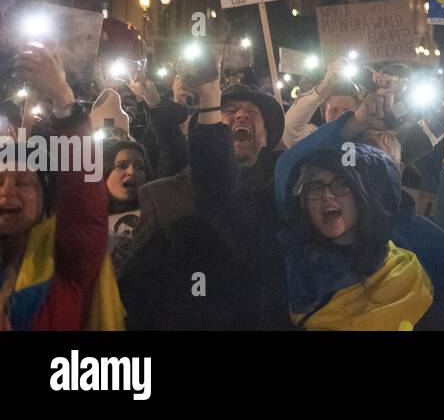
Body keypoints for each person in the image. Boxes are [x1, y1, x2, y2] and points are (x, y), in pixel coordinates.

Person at [274, 87, 444, 328]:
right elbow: (290, 169)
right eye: (354, 168)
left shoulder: (430, 244)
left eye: (379, 168)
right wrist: (354, 122)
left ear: (397, 172)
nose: (366, 177)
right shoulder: (304, 246)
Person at [117, 76, 289, 329]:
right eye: (228, 112)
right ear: (208, 129)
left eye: (253, 112)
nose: (241, 116)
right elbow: (137, 291)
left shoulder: (283, 194)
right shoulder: (162, 197)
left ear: (266, 138)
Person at [1, 43, 123, 330]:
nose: (7, 191)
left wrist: (63, 101)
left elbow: (84, 194)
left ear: (45, 199)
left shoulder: (67, 260)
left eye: (22, 182)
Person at [103, 138, 149, 274]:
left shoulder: (156, 222)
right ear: (105, 172)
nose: (131, 172)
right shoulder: (84, 221)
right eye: (121, 165)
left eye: (139, 167)